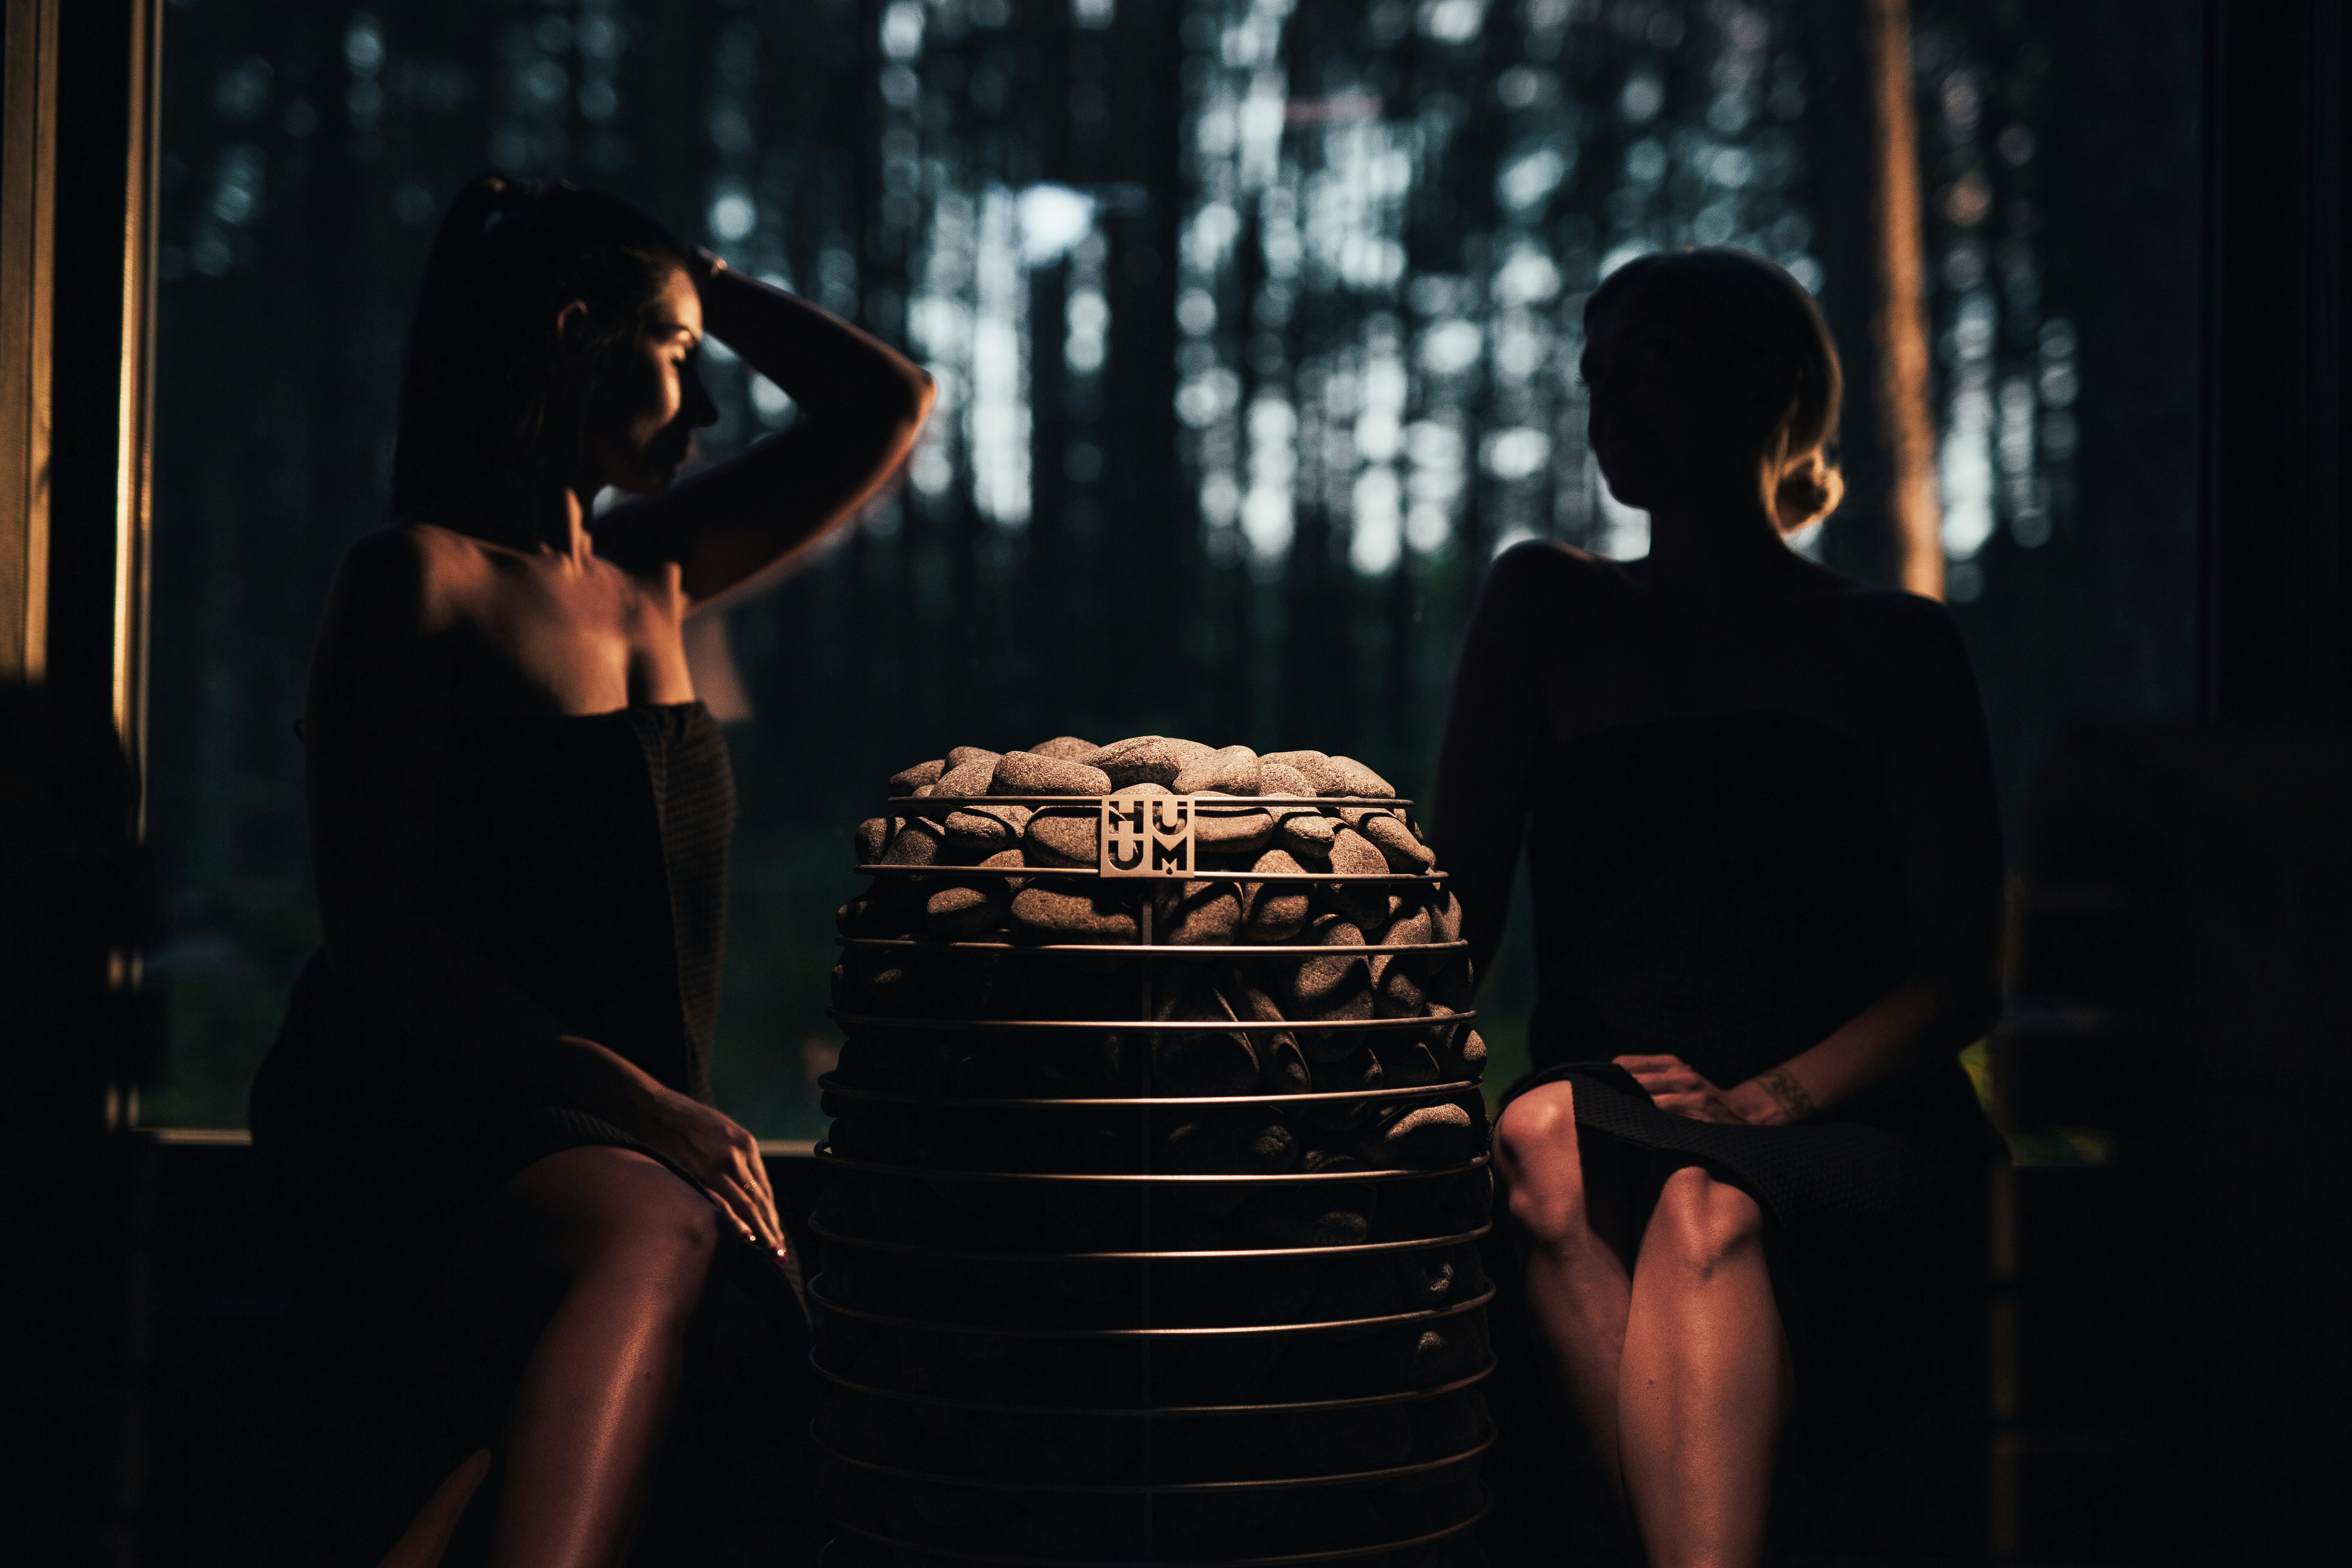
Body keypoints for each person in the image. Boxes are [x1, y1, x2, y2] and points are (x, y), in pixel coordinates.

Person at [248, 177, 934, 1567]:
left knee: (755, 1357)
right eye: (680, 356)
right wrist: (640, 1104)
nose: (713, 402)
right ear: (576, 337)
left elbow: (887, 405)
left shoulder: (655, 574)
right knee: (661, 1239)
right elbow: (375, 937)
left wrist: (705, 281)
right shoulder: (418, 582)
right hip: (428, 1111)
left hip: (612, 1138)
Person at [1432, 248, 2002, 1567]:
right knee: (1543, 1142)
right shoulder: (1549, 607)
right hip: (1611, 1096)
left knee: (1706, 1207)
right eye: (1596, 377)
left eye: (1653, 364)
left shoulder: (1894, 646)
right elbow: (1451, 928)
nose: (1610, 402)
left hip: (1849, 1119)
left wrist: (1767, 1104)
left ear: (1769, 387)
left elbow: (1962, 977)